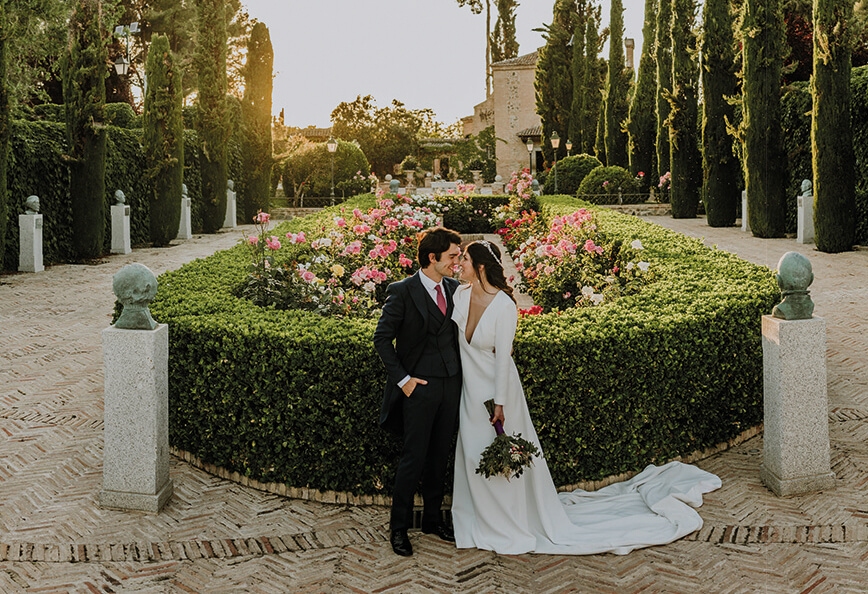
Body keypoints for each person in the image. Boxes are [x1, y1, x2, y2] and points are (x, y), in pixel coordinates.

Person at [450, 239, 722, 555]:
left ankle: (508, 521)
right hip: (468, 393)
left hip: (498, 393)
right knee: (472, 454)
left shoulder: (504, 306)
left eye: (465, 259)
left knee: (504, 456)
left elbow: (502, 359)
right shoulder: (460, 295)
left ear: (481, 265)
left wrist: (499, 403)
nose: (460, 264)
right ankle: (477, 517)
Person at [373, 226, 463, 557]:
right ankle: (398, 529)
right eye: (452, 256)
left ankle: (432, 520)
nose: (457, 261)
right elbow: (382, 339)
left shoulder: (456, 288)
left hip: (451, 385)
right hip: (417, 388)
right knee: (413, 457)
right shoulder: (402, 290)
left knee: (440, 455)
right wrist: (404, 380)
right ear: (431, 258)